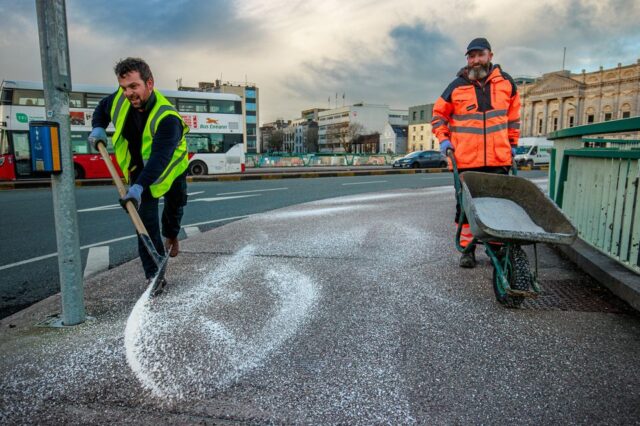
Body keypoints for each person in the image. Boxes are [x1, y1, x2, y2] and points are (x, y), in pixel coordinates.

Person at [89, 57, 189, 289]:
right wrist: (98, 126)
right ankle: (154, 276)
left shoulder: (167, 118)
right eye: (124, 87)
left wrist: (139, 187)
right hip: (137, 171)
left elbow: (160, 159)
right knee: (144, 224)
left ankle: (172, 236)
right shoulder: (120, 99)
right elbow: (102, 109)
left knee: (174, 210)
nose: (128, 93)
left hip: (170, 169)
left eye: (134, 86)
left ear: (149, 83)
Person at [431, 37, 520, 268]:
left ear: (490, 55)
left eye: (480, 55)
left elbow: (513, 118)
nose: (475, 60)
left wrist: (512, 143)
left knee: (497, 205)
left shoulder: (507, 84)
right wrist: (444, 140)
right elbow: (438, 115)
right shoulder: (456, 86)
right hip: (466, 160)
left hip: (498, 158)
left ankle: (496, 249)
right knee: (466, 207)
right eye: (471, 56)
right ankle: (468, 249)